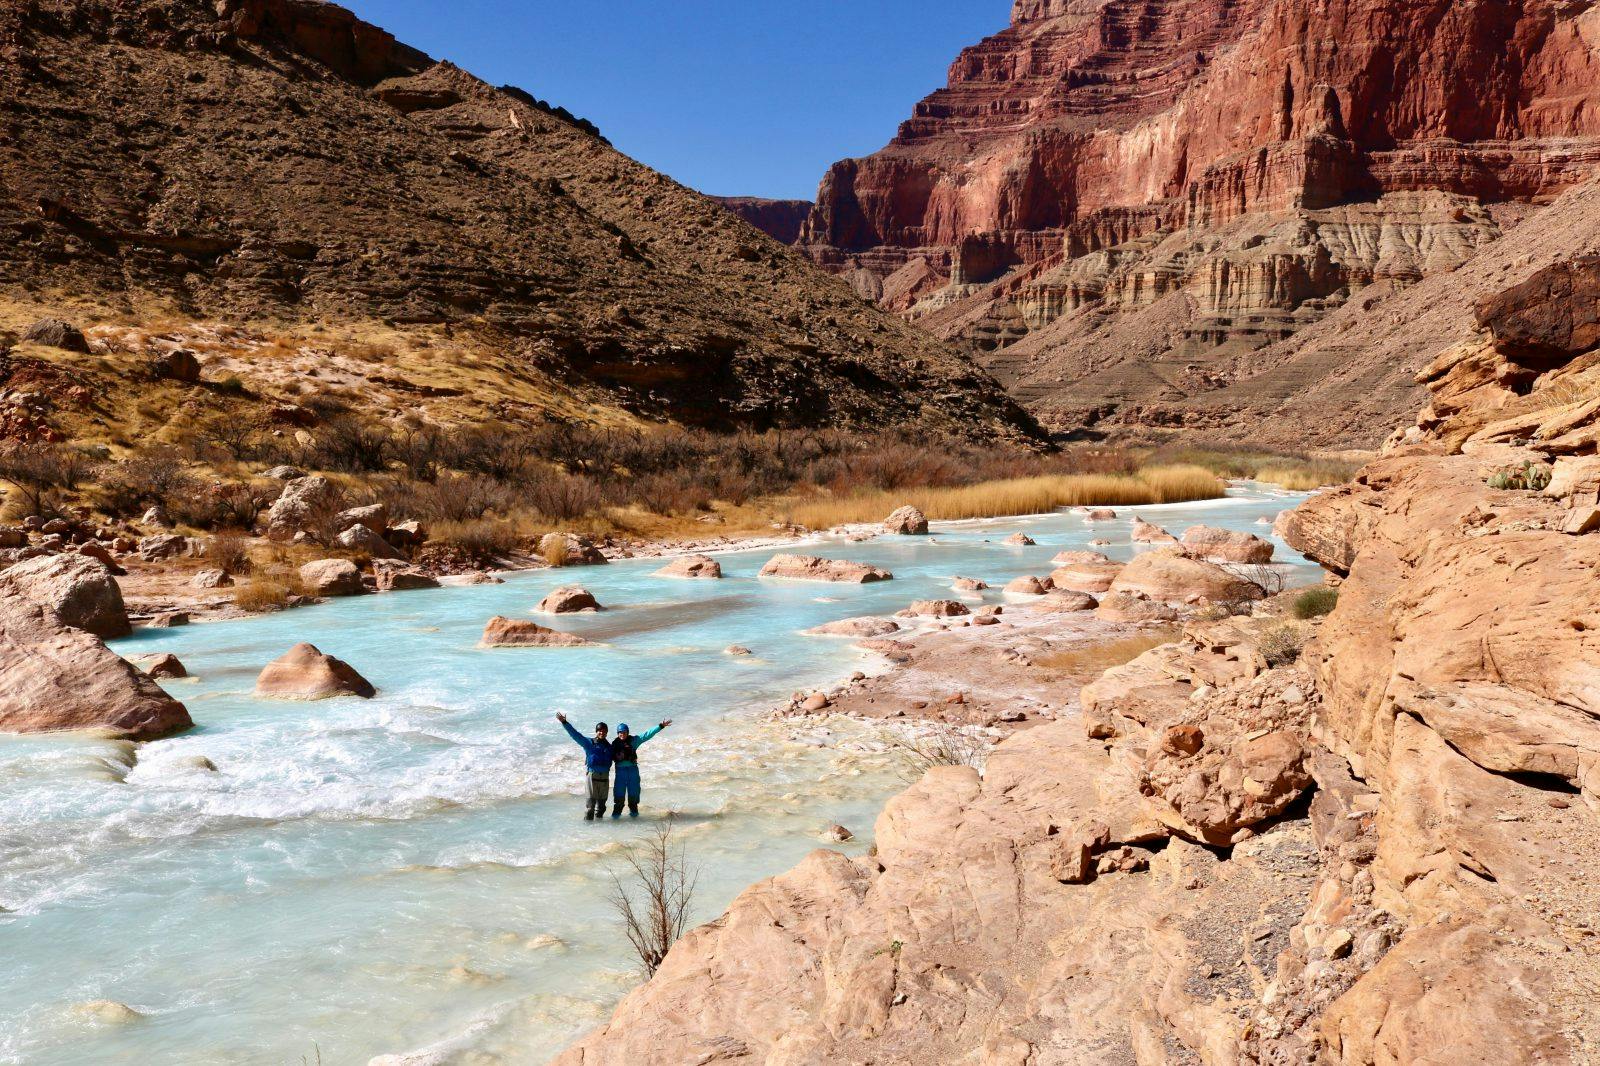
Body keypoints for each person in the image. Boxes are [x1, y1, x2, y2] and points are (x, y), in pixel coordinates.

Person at [608, 720, 671, 819]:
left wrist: (660, 726)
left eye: (624, 732)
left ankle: (635, 820)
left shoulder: (634, 741)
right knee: (619, 800)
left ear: (627, 732)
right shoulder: (614, 745)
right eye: (620, 732)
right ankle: (615, 820)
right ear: (617, 733)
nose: (622, 734)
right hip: (620, 773)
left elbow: (647, 735)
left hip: (633, 771)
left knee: (633, 799)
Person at [556, 712, 612, 821]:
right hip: (592, 776)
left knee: (601, 808)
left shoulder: (610, 747)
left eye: (604, 731)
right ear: (596, 732)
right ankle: (587, 829)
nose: (602, 732)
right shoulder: (588, 743)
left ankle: (598, 832)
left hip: (604, 778)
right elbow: (575, 735)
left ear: (606, 732)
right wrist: (565, 722)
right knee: (590, 807)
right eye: (600, 730)